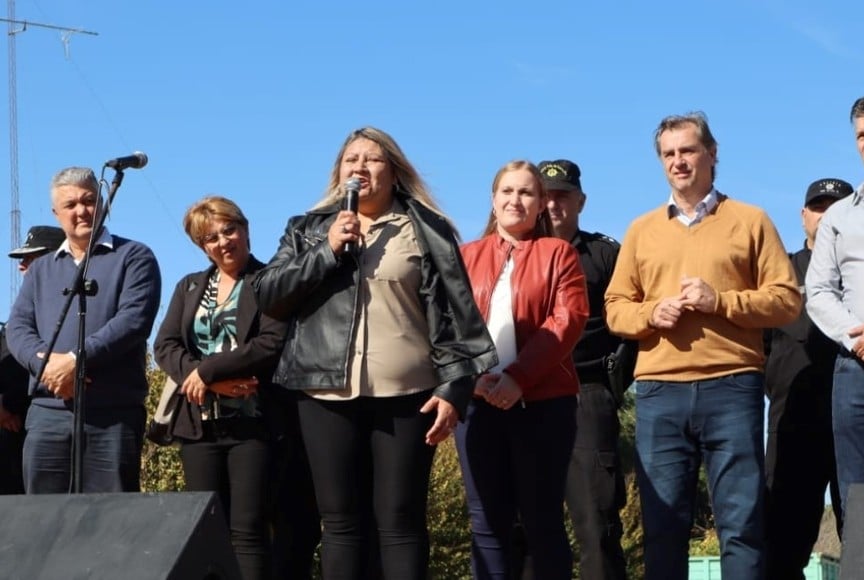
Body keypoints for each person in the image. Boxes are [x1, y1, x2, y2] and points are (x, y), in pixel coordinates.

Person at [253, 126, 497, 580]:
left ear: (395, 172)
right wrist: (326, 250)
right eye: (351, 160)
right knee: (342, 524)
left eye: (372, 159)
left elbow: (457, 317)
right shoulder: (307, 228)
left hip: (409, 394)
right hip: (325, 395)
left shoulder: (428, 229)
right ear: (338, 172)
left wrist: (454, 389)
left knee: (400, 522)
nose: (360, 167)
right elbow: (268, 294)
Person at [603, 112, 801, 580]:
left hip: (731, 386)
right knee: (662, 527)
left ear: (712, 154)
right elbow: (615, 308)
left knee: (741, 526)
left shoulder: (751, 221)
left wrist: (721, 301)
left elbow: (787, 300)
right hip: (658, 392)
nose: (679, 161)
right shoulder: (641, 230)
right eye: (669, 154)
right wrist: (650, 313)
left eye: (688, 150)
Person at [457, 160, 589, 579]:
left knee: (542, 521)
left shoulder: (560, 254)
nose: (516, 200)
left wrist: (518, 378)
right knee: (486, 524)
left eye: (526, 193)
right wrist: (471, 379)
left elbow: (567, 319)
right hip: (477, 405)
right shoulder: (465, 256)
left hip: (543, 405)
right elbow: (446, 324)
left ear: (540, 205)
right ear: (493, 201)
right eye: (507, 191)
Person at [154, 196, 289, 580]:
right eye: (210, 238)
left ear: (244, 228)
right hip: (198, 426)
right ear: (201, 246)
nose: (222, 241)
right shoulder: (189, 286)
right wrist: (203, 378)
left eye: (229, 230)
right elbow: (164, 346)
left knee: (248, 530)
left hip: (254, 424)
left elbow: (269, 343)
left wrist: (208, 371)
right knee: (205, 528)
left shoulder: (268, 282)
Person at [5, 166, 161, 493]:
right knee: (43, 523)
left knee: (110, 524)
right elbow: (18, 327)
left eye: (88, 201)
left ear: (101, 204)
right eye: (71, 204)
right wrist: (46, 367)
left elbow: (133, 321)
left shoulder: (134, 257)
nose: (81, 211)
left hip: (112, 415)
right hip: (48, 416)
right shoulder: (42, 269)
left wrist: (76, 361)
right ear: (56, 213)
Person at [539, 159, 630, 580]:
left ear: (581, 201)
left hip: (586, 395)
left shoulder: (605, 254)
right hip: (523, 399)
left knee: (597, 523)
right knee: (526, 526)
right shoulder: (516, 252)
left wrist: (611, 386)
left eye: (562, 196)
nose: (553, 204)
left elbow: (630, 329)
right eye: (546, 195)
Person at [764, 178, 852, 580]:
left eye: (836, 206)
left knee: (863, 539)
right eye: (818, 207)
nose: (826, 214)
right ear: (803, 216)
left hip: (855, 424)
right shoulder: (780, 272)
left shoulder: (863, 275)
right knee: (783, 542)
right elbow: (758, 344)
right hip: (794, 424)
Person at [805, 95, 864, 525]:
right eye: (862, 135)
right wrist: (857, 337)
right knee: (857, 497)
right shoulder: (840, 217)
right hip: (856, 369)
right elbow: (819, 291)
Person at [0, 225, 66, 494]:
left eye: (31, 258)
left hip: (52, 430)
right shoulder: (18, 318)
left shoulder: (78, 310)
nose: (22, 266)